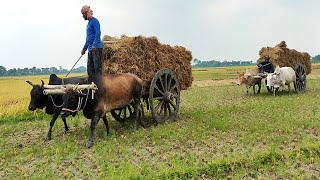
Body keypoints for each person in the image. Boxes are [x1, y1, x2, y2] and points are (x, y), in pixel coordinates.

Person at [81, 5, 103, 76]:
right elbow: (88, 39)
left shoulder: (95, 21)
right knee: (90, 70)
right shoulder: (89, 23)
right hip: (90, 50)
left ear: (87, 13)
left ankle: (99, 85)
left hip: (96, 49)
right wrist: (84, 49)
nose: (83, 16)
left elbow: (98, 32)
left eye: (83, 14)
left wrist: (94, 45)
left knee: (97, 69)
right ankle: (92, 85)